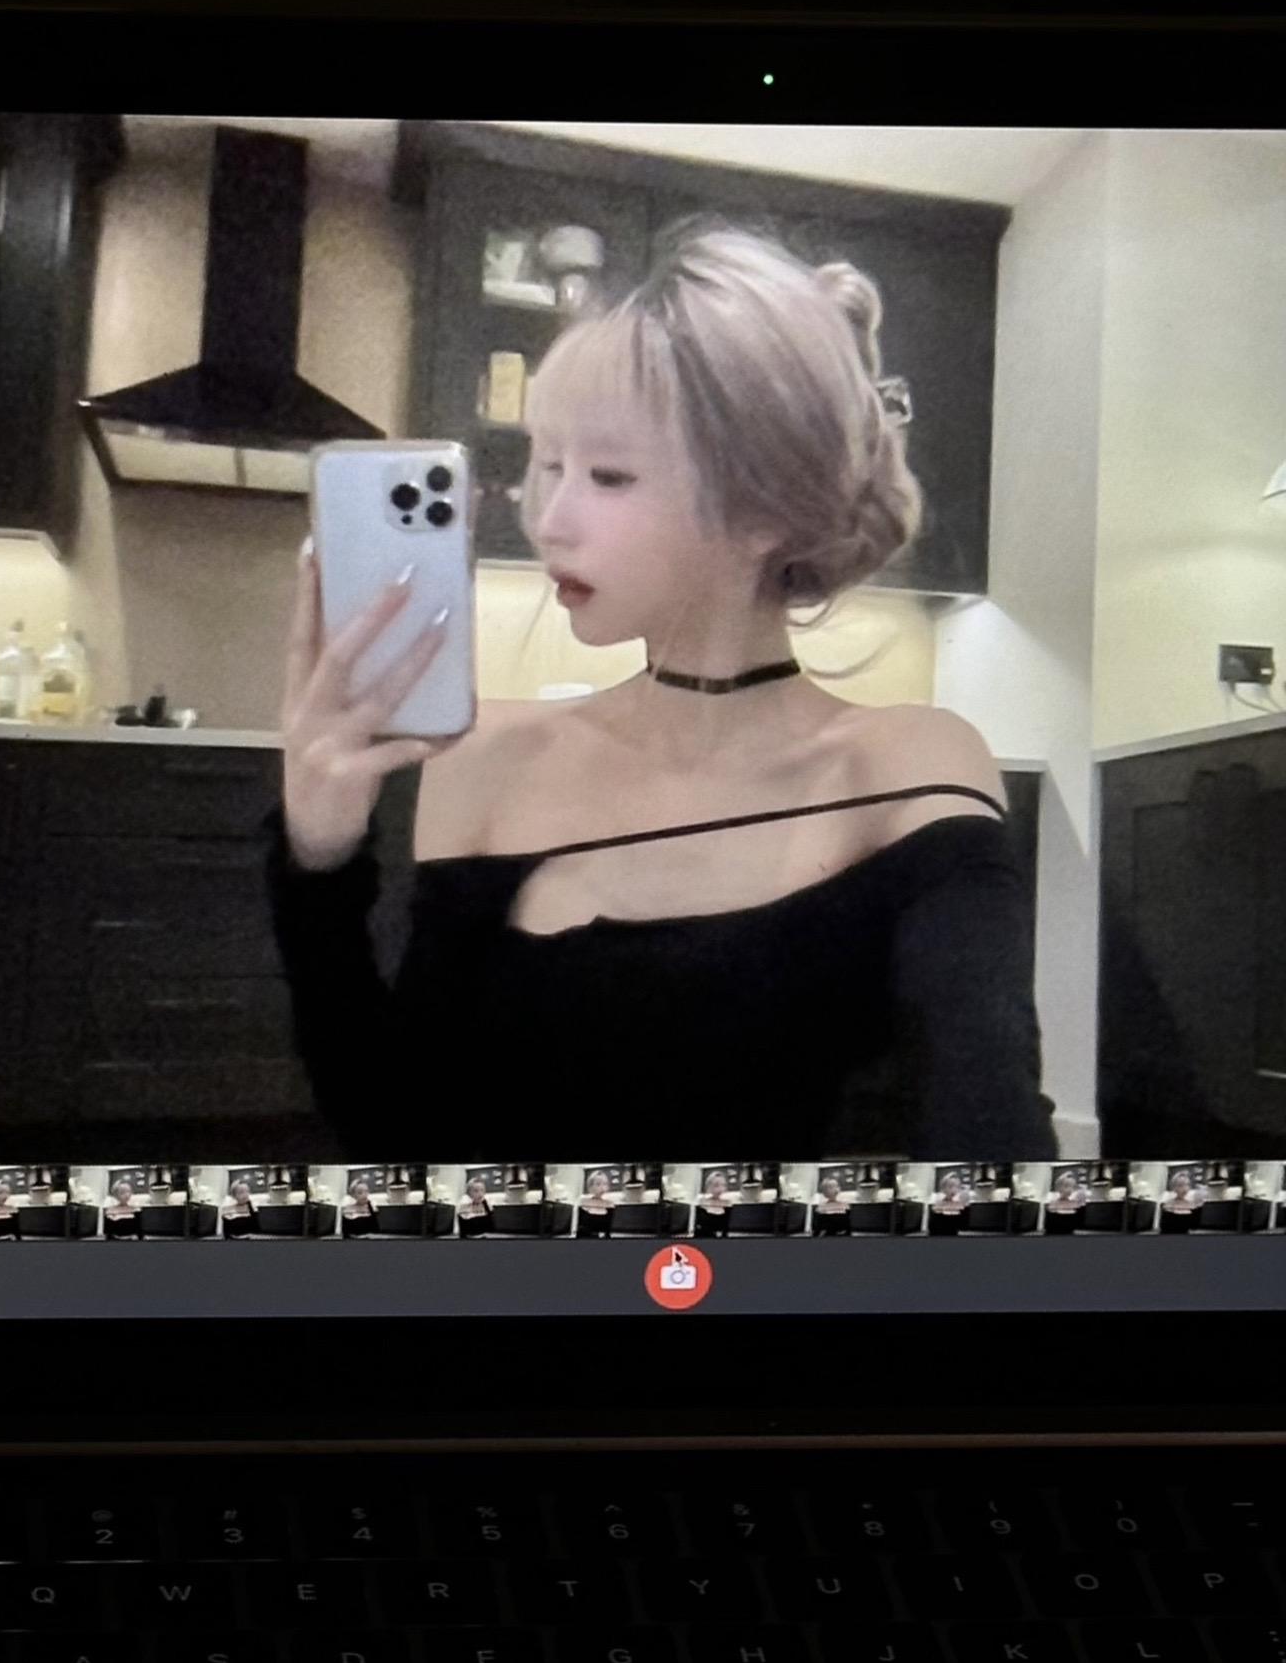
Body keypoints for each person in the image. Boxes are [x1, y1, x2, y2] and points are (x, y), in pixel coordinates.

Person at [269, 221, 1057, 1157]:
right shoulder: (484, 758)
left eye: (607, 475)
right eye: (546, 465)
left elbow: (991, 1141)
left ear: (765, 507)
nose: (549, 519)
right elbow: (389, 1128)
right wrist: (318, 861)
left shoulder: (904, 768)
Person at [577, 1167, 616, 1234]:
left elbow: (609, 1229)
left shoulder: (610, 1204)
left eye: (605, 1184)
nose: (602, 1187)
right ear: (590, 1186)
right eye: (598, 1184)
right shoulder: (583, 1203)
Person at [695, 1167, 733, 1234]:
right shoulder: (701, 1203)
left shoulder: (728, 1205)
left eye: (723, 1185)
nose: (720, 1188)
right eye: (716, 1185)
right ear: (709, 1186)